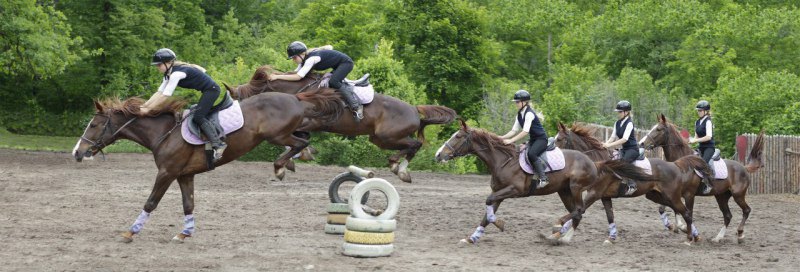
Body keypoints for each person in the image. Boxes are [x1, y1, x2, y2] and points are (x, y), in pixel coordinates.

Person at [140, 48, 227, 161]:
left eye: (159, 64)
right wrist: (144, 106)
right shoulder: (168, 74)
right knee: (195, 113)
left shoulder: (176, 74)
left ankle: (218, 144)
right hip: (207, 91)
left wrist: (148, 109)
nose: (157, 67)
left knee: (198, 117)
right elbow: (159, 92)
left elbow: (165, 96)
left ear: (169, 63)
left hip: (212, 90)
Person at [269, 41, 363, 122]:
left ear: (301, 54)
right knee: (328, 84)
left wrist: (277, 77)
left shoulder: (311, 59)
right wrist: (278, 76)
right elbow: (295, 72)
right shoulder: (304, 59)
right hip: (337, 66)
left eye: (294, 57)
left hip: (346, 63)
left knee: (333, 82)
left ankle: (356, 106)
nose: (293, 60)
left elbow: (298, 77)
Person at [500, 90, 548, 189]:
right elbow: (514, 130)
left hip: (541, 139)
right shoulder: (519, 115)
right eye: (515, 102)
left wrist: (511, 141)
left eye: (517, 102)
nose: (516, 104)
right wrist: (501, 137)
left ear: (524, 102)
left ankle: (544, 178)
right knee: (520, 151)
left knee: (531, 154)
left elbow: (525, 131)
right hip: (533, 140)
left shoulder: (529, 114)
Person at [602, 100, 638, 195]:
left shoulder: (629, 123)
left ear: (626, 112)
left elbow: (624, 139)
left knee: (624, 163)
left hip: (632, 149)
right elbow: (613, 137)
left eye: (620, 112)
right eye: (618, 112)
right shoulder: (617, 123)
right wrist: (605, 144)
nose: (618, 113)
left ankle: (632, 184)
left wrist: (610, 145)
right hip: (624, 149)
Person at [690, 100, 714, 194]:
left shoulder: (708, 121)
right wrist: (690, 140)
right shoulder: (697, 122)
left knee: (702, 163)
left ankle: (709, 184)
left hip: (709, 147)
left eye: (700, 110)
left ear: (706, 111)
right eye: (698, 110)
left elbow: (708, 137)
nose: (698, 112)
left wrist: (695, 140)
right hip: (701, 147)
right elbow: (696, 137)